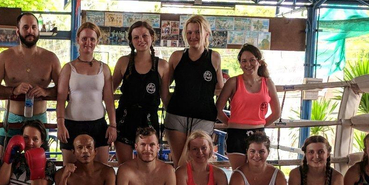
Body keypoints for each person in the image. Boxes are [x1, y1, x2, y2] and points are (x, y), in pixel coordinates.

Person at [0, 12, 61, 155]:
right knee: (4, 162)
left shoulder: (51, 58)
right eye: (25, 27)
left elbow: (63, 90)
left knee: (39, 166)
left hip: (39, 118)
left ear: (38, 30)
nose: (30, 31)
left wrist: (46, 92)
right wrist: (13, 90)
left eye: (34, 27)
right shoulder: (5, 57)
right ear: (18, 31)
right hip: (12, 116)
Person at [162, 15, 222, 165]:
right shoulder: (177, 57)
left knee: (192, 162)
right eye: (189, 33)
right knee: (179, 164)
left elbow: (220, 88)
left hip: (204, 117)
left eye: (197, 32)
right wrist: (167, 103)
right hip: (177, 116)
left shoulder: (214, 57)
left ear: (206, 34)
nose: (193, 36)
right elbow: (164, 85)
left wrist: (217, 110)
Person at [56, 22, 116, 165]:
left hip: (98, 125)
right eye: (84, 39)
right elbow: (60, 99)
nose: (88, 42)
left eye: (92, 39)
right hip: (71, 124)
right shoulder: (68, 68)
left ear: (97, 42)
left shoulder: (104, 69)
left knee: (101, 168)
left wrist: (113, 125)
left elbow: (109, 100)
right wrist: (60, 124)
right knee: (70, 170)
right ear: (78, 40)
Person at [216, 44, 282, 169]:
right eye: (244, 61)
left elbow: (276, 113)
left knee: (257, 172)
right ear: (240, 64)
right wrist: (230, 124)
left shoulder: (267, 83)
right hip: (236, 134)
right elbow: (218, 109)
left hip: (259, 134)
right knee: (239, 173)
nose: (248, 64)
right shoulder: (233, 82)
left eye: (252, 60)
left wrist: (260, 125)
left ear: (259, 62)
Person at [111, 20, 168, 163]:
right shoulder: (123, 62)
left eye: (144, 36)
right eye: (136, 37)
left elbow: (165, 97)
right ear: (131, 41)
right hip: (125, 118)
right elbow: (108, 92)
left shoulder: (162, 65)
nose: (141, 40)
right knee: (124, 166)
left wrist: (170, 124)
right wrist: (111, 122)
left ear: (152, 37)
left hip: (149, 119)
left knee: (149, 166)